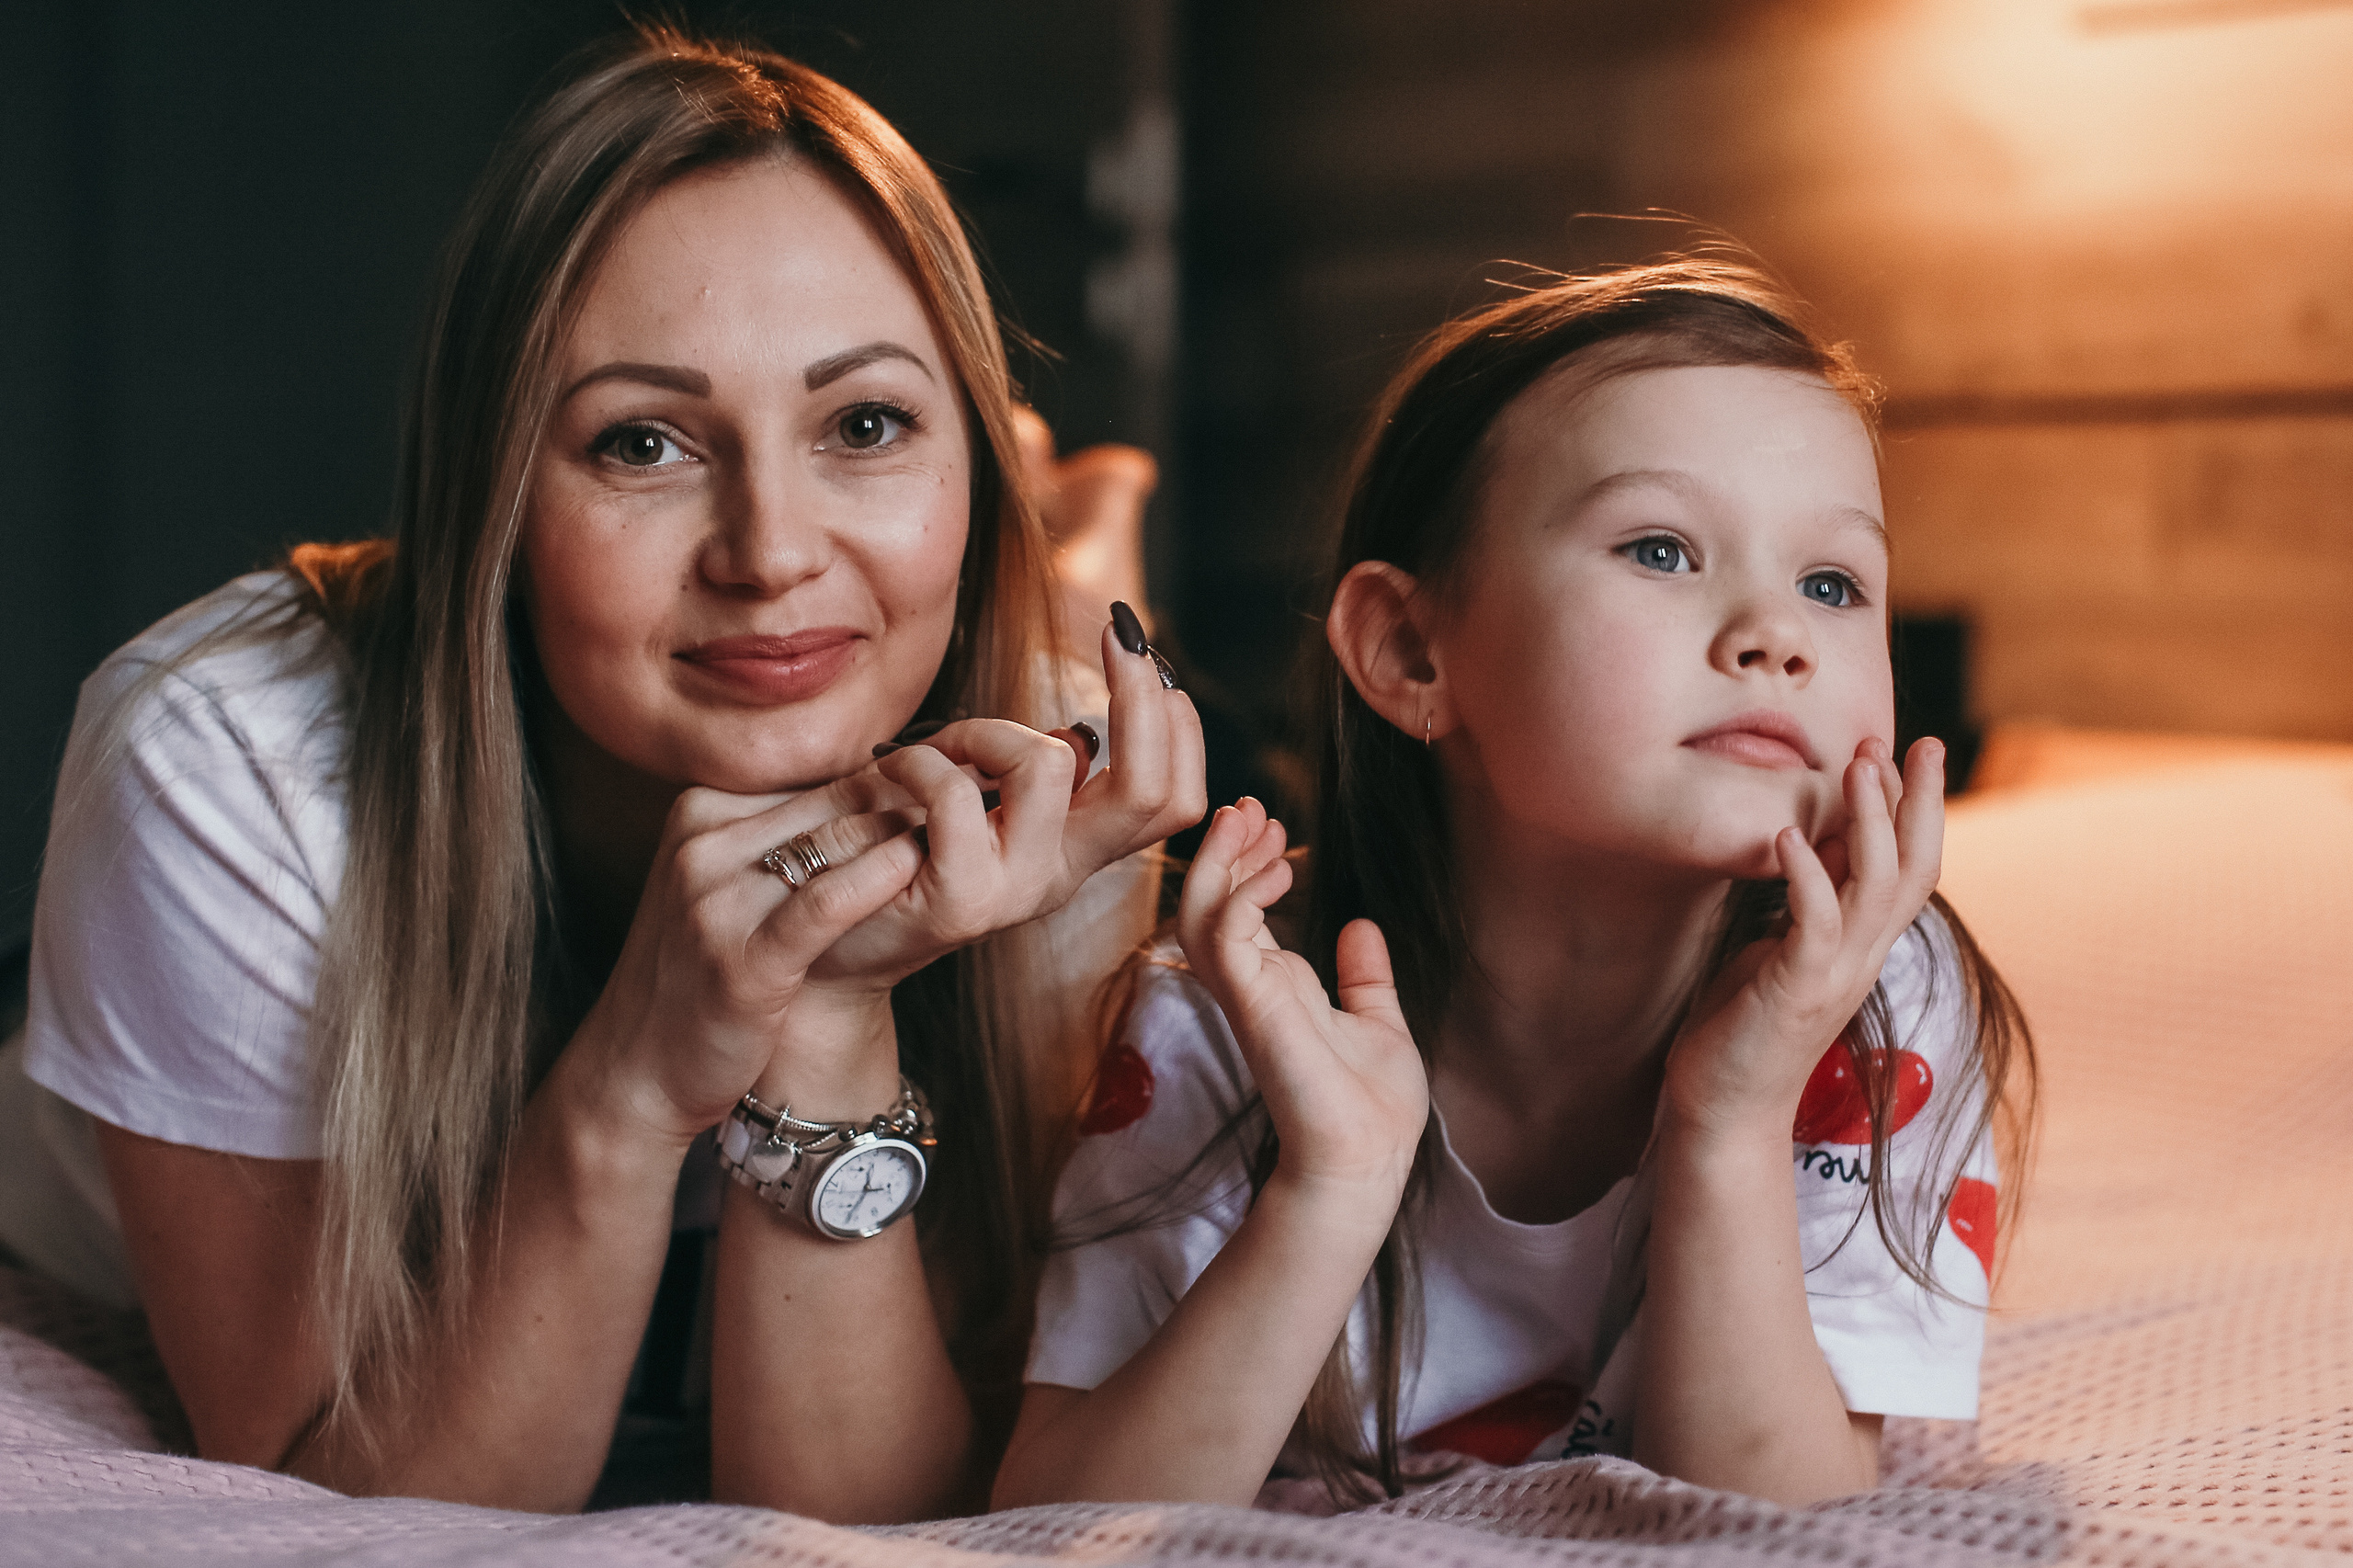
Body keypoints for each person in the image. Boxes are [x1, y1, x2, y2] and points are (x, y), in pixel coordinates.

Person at [0, 27, 1203, 1521]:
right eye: (641, 443)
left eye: (866, 424)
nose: (769, 552)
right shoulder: (230, 753)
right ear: (495, 493)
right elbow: (338, 1509)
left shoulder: (1046, 785)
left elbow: (855, 1527)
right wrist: (638, 1069)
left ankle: (1073, 532)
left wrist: (829, 1002)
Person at [994, 260, 2036, 1511]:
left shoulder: (1874, 997)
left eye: (1833, 583)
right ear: (1409, 650)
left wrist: (1734, 1113)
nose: (1779, 635)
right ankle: (1071, 555)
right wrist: (1328, 1185)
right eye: (1661, 549)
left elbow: (1780, 1525)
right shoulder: (1230, 1008)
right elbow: (1056, 1522)